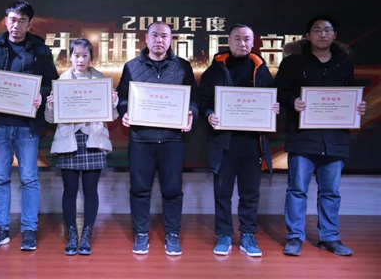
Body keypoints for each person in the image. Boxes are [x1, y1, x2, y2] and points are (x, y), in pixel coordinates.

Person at [276, 15, 366, 257]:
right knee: (297, 190)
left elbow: (350, 94)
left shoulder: (344, 63)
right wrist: (292, 101)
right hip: (303, 137)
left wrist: (358, 106)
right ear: (308, 36)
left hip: (335, 138)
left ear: (334, 35)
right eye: (317, 30)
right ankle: (295, 237)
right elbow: (278, 92)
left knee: (331, 192)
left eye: (327, 30)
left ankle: (329, 237)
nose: (323, 34)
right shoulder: (293, 62)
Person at [0, 0, 59, 251]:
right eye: (12, 19)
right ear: (5, 21)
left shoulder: (40, 50)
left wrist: (42, 95)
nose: (16, 25)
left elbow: (51, 83)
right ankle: (0, 229)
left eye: (22, 21)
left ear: (30, 24)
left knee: (29, 178)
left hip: (27, 125)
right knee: (0, 178)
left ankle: (29, 229)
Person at [116, 21, 198, 256]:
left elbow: (194, 98)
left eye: (164, 36)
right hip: (141, 139)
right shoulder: (132, 66)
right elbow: (123, 97)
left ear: (171, 39)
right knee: (140, 189)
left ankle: (172, 234)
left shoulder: (183, 67)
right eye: (155, 35)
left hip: (172, 140)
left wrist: (191, 113)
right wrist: (125, 112)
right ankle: (141, 233)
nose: (159, 40)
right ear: (146, 38)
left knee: (172, 190)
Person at [199, 24, 279, 257]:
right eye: (237, 38)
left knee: (250, 192)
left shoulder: (261, 69)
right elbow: (203, 102)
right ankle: (224, 234)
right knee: (222, 192)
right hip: (224, 141)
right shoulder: (215, 69)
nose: (242, 43)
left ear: (253, 42)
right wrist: (209, 115)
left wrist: (274, 107)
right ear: (229, 40)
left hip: (253, 142)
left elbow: (273, 100)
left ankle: (248, 234)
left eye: (247, 39)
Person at [45, 38, 118, 256]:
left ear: (90, 57)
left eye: (85, 55)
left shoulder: (101, 80)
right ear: (70, 57)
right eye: (76, 55)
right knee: (69, 191)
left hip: (93, 140)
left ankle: (86, 234)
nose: (80, 59)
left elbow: (112, 116)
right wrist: (50, 105)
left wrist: (112, 101)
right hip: (68, 140)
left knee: (90, 191)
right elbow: (50, 119)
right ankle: (71, 235)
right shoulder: (62, 81)